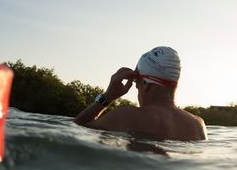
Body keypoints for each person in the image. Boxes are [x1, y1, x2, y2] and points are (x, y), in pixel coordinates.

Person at [74, 46, 207, 142]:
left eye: (136, 80)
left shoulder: (127, 116)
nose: (136, 85)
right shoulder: (197, 125)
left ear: (146, 84)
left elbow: (78, 127)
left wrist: (108, 97)